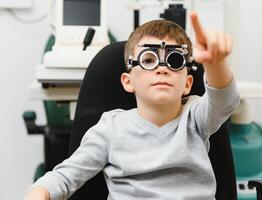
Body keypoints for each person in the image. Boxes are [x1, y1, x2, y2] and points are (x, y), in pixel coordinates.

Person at [24, 12, 240, 200]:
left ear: (187, 84)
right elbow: (66, 175)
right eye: (148, 60)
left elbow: (224, 101)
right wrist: (39, 192)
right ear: (128, 81)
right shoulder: (111, 129)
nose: (162, 69)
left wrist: (215, 63)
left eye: (174, 61)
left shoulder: (196, 118)